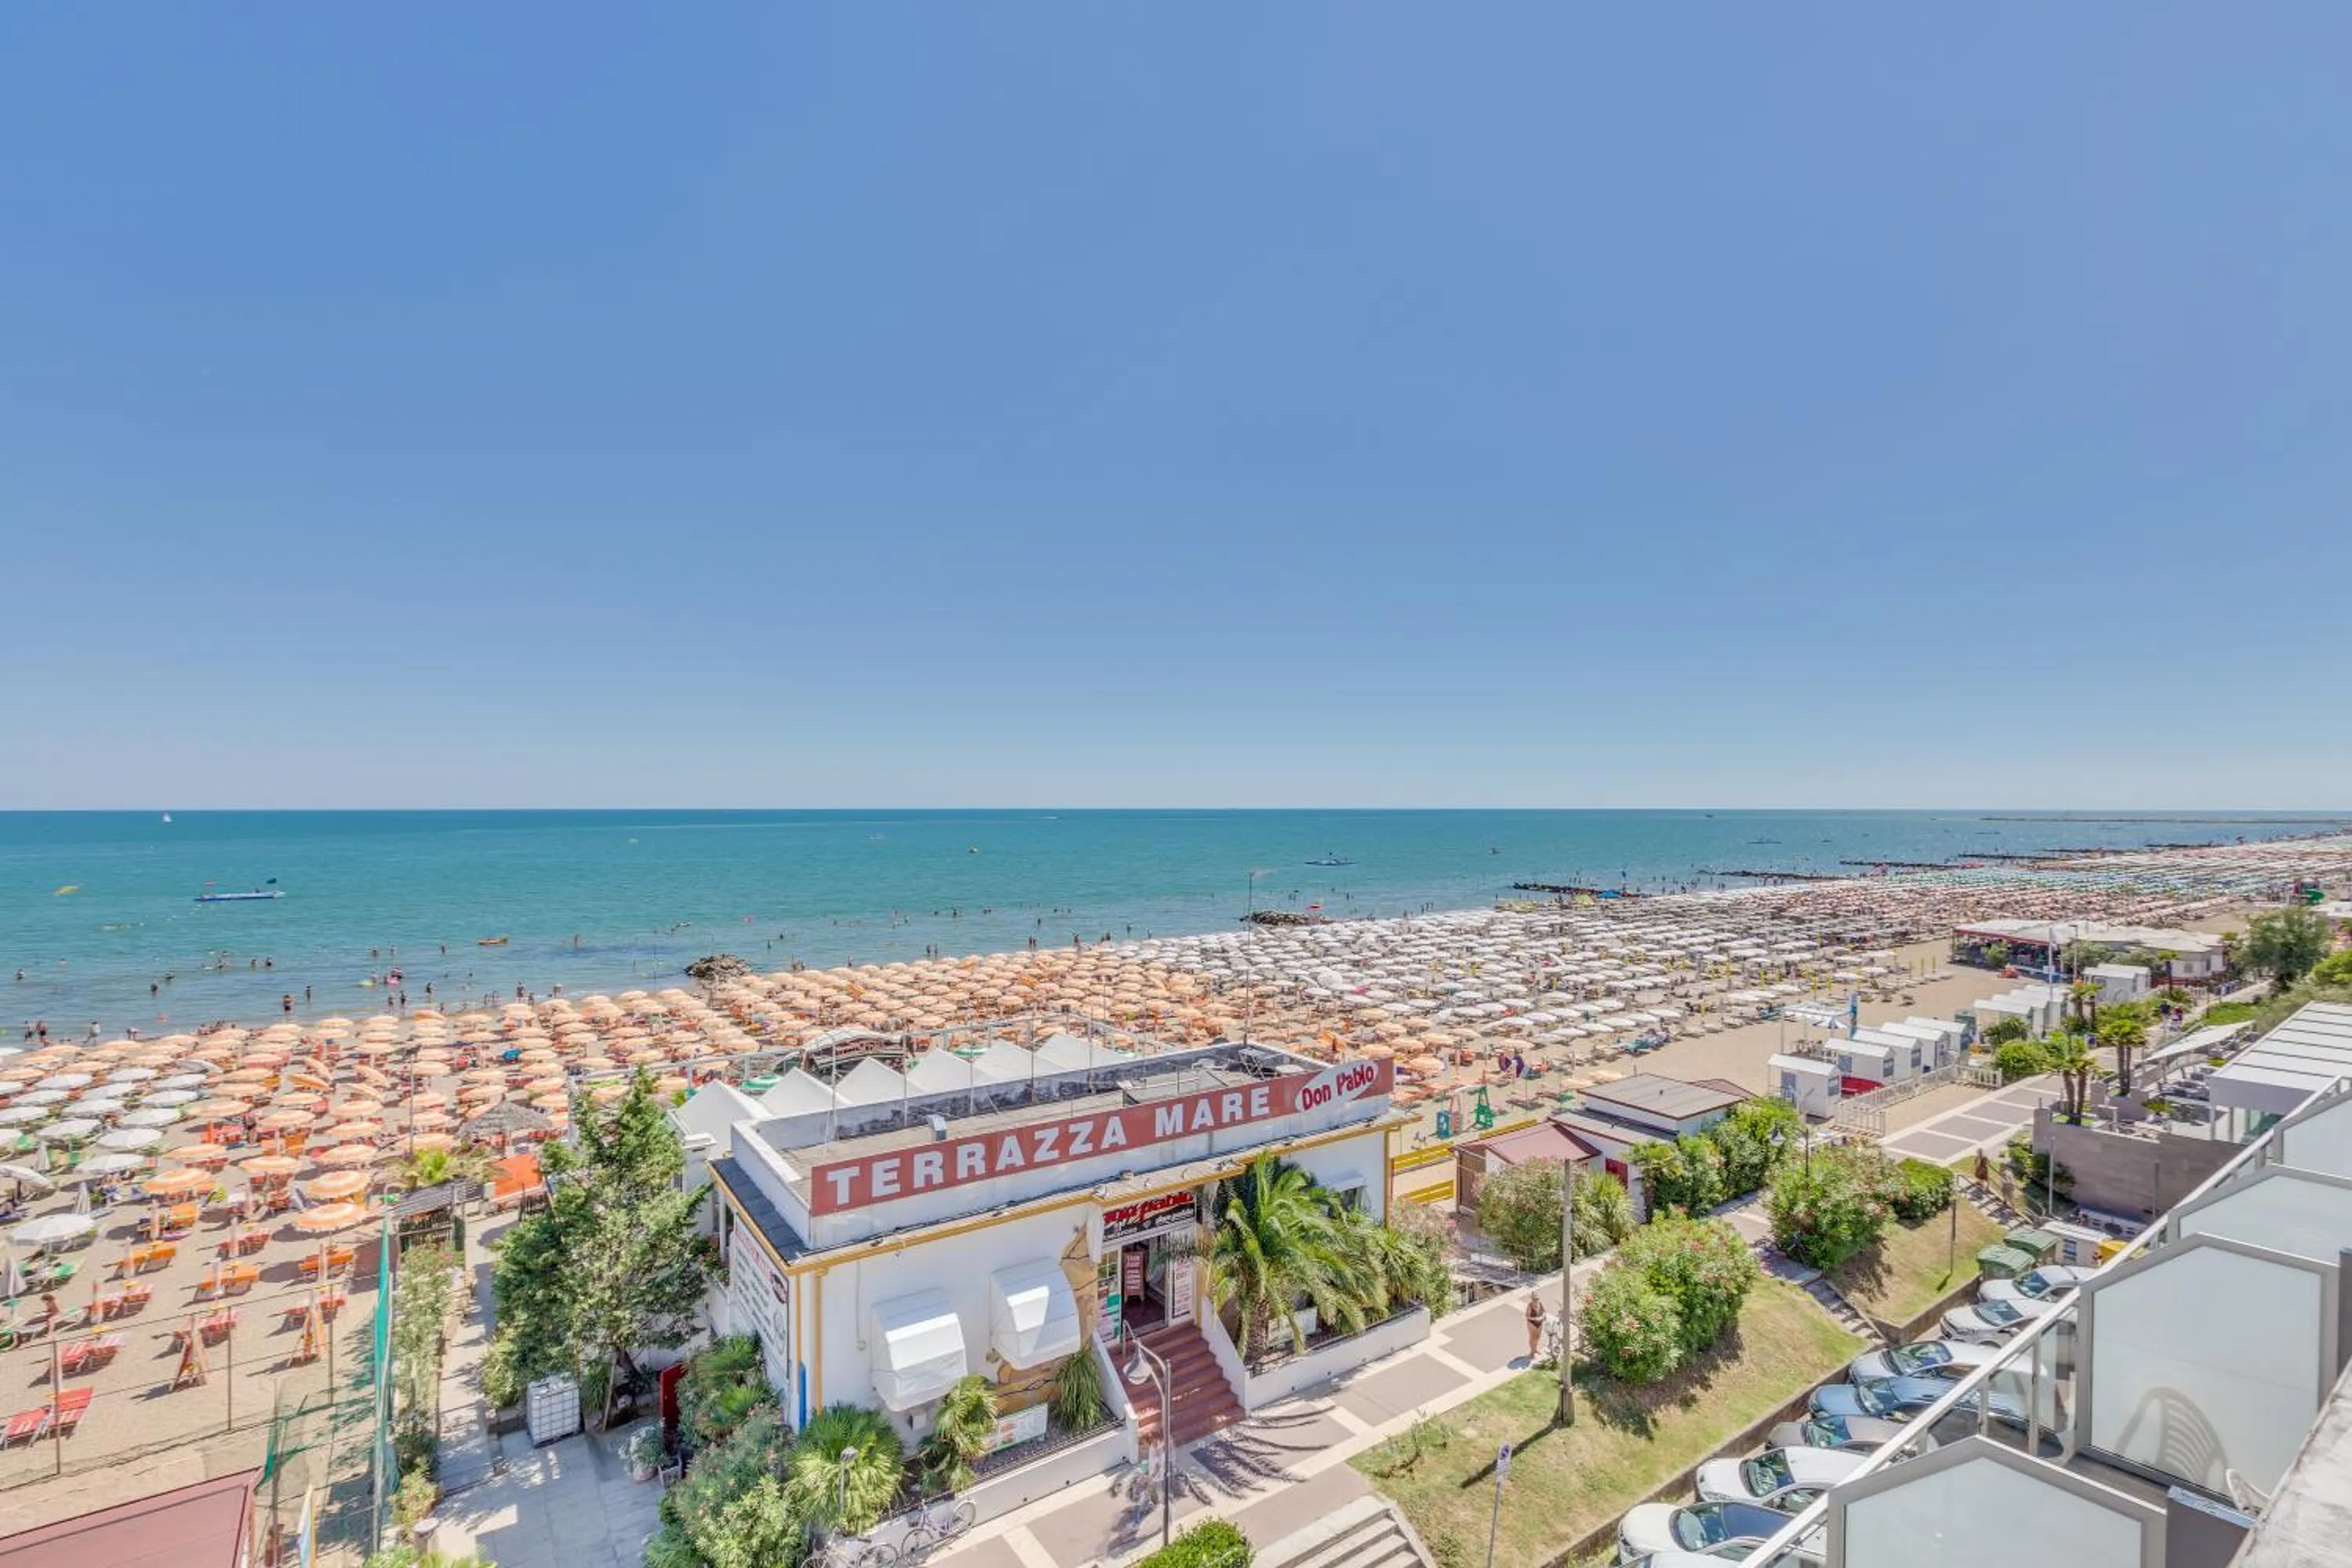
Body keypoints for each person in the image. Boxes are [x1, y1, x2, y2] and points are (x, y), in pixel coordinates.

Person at [1524, 1292, 1547, 1361]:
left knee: (1537, 1337)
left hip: (1539, 1322)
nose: (1536, 1300)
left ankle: (1535, 1349)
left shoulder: (1540, 1304)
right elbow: (1527, 1316)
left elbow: (1544, 1312)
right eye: (1534, 1299)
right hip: (1532, 1323)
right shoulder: (1530, 1306)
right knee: (1532, 1337)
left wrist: (1542, 1317)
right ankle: (1532, 1352)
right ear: (1532, 1299)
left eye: (1537, 1299)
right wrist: (1535, 1319)